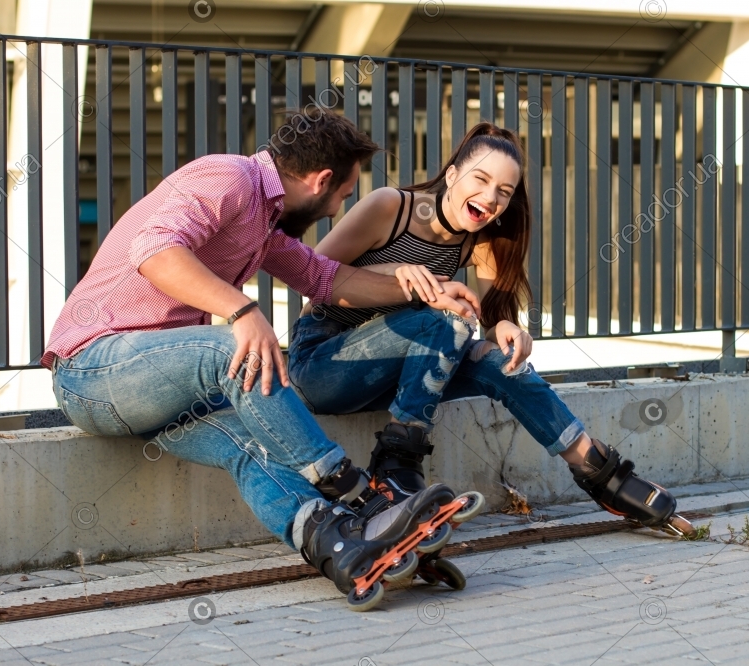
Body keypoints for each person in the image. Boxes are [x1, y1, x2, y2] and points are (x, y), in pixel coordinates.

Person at [43, 110, 482, 608]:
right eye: (341, 195)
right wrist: (243, 311)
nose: (336, 209)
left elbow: (326, 280)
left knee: (252, 445)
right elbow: (155, 249)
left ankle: (341, 544)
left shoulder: (264, 223)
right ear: (320, 180)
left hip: (159, 390)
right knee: (235, 346)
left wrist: (426, 292)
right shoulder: (228, 177)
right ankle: (358, 493)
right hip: (91, 371)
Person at [287, 122, 694, 538]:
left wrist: (506, 328)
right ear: (452, 175)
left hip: (397, 372)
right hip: (324, 363)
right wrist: (398, 274)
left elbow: (490, 322)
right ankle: (395, 468)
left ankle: (597, 470)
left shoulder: (478, 242)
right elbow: (309, 276)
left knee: (501, 361)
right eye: (480, 179)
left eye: (504, 191)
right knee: (448, 319)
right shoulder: (392, 207)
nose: (490, 197)